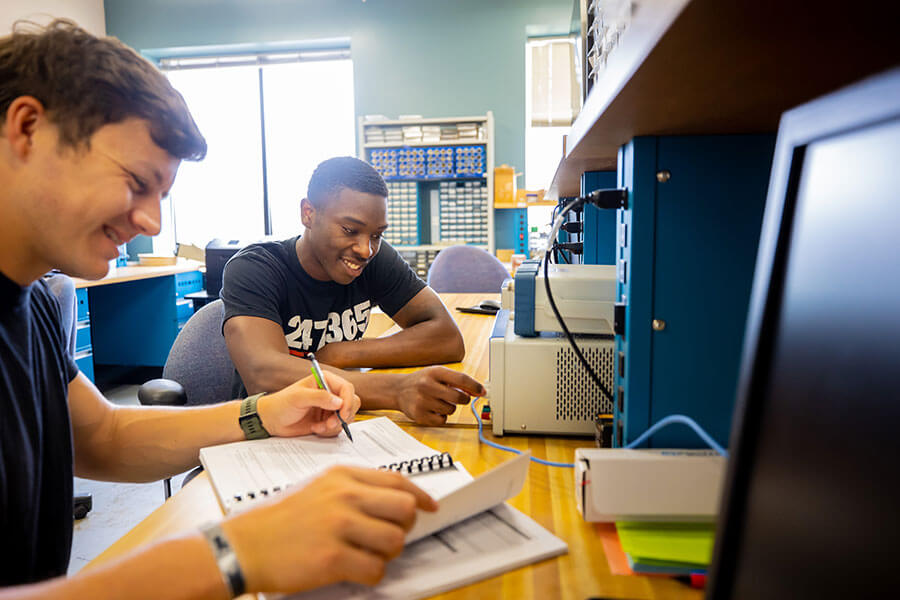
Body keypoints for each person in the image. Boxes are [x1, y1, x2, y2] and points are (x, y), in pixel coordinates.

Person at [0, 20, 438, 598]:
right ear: (28, 129)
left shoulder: (26, 304)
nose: (152, 222)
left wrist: (261, 415)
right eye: (136, 183)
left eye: (162, 196)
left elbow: (101, 434)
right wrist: (235, 553)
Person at [221, 156, 486, 426]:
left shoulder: (373, 261)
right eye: (350, 230)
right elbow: (264, 375)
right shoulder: (255, 268)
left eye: (377, 235)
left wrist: (342, 352)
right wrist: (395, 390)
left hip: (341, 421)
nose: (365, 250)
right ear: (308, 213)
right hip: (266, 434)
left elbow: (447, 338)